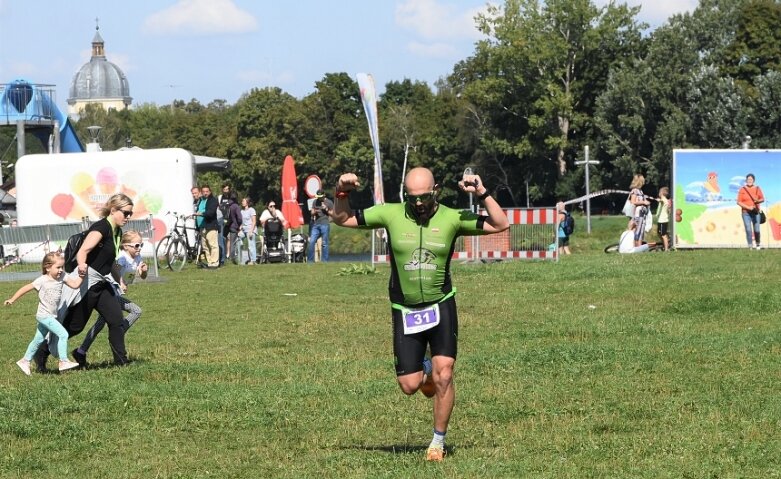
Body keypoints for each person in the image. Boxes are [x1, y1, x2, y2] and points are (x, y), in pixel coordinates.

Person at [331, 167, 510, 462]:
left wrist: (481, 191)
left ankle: (437, 442)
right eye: (411, 197)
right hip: (405, 309)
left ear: (436, 190)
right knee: (410, 385)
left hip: (441, 304)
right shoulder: (390, 214)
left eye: (424, 197)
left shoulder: (452, 218)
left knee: (446, 374)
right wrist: (341, 191)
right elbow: (342, 218)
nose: (417, 204)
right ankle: (425, 370)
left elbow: (500, 224)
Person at [35, 193, 135, 371]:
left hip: (101, 283)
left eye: (130, 214)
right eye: (126, 213)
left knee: (116, 320)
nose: (128, 217)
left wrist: (119, 280)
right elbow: (83, 251)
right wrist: (81, 266)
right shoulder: (101, 227)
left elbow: (109, 261)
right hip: (87, 282)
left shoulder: (117, 231)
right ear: (113, 210)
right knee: (75, 326)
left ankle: (121, 361)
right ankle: (41, 351)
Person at [72, 230, 148, 366]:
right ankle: (117, 333)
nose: (140, 248)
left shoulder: (137, 257)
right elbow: (112, 272)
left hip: (115, 294)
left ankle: (81, 351)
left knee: (100, 323)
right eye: (137, 245)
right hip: (109, 292)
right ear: (126, 246)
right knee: (136, 310)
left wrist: (144, 270)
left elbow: (142, 276)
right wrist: (121, 282)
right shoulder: (122, 258)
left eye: (141, 245)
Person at [5, 252, 83, 375]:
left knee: (38, 340)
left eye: (62, 267)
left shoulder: (62, 276)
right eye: (58, 267)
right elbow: (26, 288)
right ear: (47, 268)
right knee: (63, 334)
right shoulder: (42, 280)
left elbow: (75, 285)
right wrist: (12, 299)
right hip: (44, 316)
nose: (60, 270)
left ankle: (25, 361)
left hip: (51, 316)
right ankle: (63, 361)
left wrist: (81, 276)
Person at [737, 173, 765, 250]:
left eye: (751, 179)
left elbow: (762, 199)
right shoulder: (742, 189)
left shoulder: (757, 188)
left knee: (757, 229)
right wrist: (748, 207)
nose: (749, 181)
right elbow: (739, 202)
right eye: (748, 179)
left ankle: (758, 244)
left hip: (756, 212)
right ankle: (750, 246)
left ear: (753, 180)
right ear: (746, 180)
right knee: (748, 229)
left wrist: (757, 201)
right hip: (746, 213)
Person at [194, 185, 220, 269]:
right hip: (202, 226)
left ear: (210, 191)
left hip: (211, 226)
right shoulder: (201, 201)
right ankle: (210, 262)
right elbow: (198, 211)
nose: (205, 193)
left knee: (213, 245)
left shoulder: (213, 200)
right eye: (204, 191)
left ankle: (215, 262)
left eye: (207, 191)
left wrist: (201, 214)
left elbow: (211, 212)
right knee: (205, 246)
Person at [308, 190, 333, 263]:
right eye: (318, 197)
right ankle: (310, 261)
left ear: (324, 195)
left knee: (324, 243)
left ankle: (325, 261)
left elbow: (333, 214)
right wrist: (314, 212)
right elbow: (312, 212)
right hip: (316, 224)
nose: (319, 199)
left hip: (325, 224)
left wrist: (326, 209)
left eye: (320, 197)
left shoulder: (329, 202)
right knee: (312, 242)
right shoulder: (315, 202)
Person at [629, 174, 652, 247]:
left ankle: (639, 247)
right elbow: (633, 202)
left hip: (642, 214)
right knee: (637, 231)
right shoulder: (634, 191)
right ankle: (634, 247)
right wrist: (643, 202)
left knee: (641, 232)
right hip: (637, 215)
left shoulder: (640, 191)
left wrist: (646, 202)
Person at [240, 197, 258, 265]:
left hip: (251, 229)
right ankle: (240, 258)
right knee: (238, 239)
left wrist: (251, 231)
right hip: (244, 229)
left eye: (243, 201)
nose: (242, 202)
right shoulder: (241, 211)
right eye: (242, 201)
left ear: (247, 202)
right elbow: (242, 222)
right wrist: (240, 229)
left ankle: (253, 260)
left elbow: (254, 221)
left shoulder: (251, 210)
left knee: (251, 244)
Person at [226, 193, 243, 264]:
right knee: (233, 243)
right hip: (234, 226)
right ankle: (232, 258)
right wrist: (239, 225)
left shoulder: (228, 205)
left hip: (227, 225)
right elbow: (239, 218)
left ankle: (225, 256)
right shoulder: (236, 206)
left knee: (226, 242)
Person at [218, 184, 231, 265]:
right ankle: (223, 256)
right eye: (225, 189)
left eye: (227, 189)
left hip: (229, 220)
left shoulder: (231, 198)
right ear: (222, 190)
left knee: (228, 238)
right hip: (221, 219)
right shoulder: (220, 197)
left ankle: (228, 254)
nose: (226, 191)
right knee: (222, 237)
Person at [656, 186, 671, 251]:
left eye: (659, 192)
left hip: (663, 220)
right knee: (659, 233)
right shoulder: (662, 200)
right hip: (660, 220)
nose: (658, 193)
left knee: (663, 234)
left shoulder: (664, 200)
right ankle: (664, 245)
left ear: (662, 193)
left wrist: (660, 200)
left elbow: (663, 201)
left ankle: (666, 248)